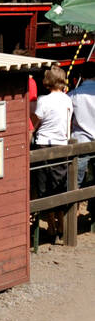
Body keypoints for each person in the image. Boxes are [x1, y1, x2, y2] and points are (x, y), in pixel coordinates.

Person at [32, 66, 73, 242]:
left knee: (44, 187)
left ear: (47, 81)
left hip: (43, 144)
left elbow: (34, 124)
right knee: (59, 185)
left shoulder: (43, 101)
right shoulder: (67, 100)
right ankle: (61, 225)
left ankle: (50, 226)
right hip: (62, 145)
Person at [69, 75, 95, 221]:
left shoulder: (74, 95)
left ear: (80, 78)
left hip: (80, 142)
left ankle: (73, 216)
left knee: (75, 182)